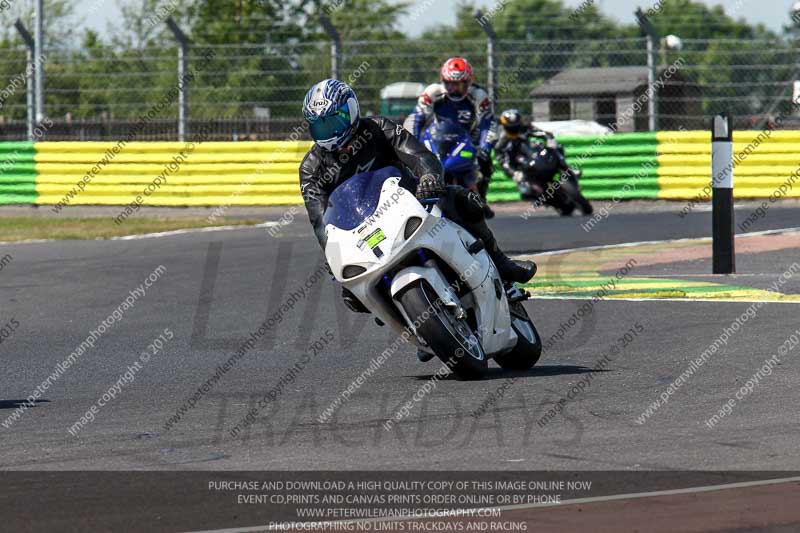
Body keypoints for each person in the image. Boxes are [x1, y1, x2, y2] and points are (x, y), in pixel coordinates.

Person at [299, 79, 537, 317]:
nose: (329, 132)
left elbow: (420, 155)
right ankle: (417, 327)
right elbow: (320, 221)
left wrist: (429, 178)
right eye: (320, 126)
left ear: (350, 111)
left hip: (410, 201)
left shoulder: (379, 127)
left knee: (464, 201)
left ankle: (502, 263)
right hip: (363, 231)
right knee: (354, 296)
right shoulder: (311, 169)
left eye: (332, 121)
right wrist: (334, 256)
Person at [405, 57, 497, 218]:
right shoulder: (433, 92)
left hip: (469, 138)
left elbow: (487, 123)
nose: (453, 88)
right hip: (438, 137)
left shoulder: (478, 95)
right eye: (449, 83)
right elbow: (416, 118)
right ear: (443, 81)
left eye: (458, 84)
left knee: (485, 160)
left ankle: (480, 196)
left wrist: (485, 146)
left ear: (468, 82)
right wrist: (411, 143)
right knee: (415, 164)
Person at [494, 109, 593, 214]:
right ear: (505, 126)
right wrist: (513, 172)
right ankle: (550, 201)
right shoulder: (501, 143)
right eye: (512, 127)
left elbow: (543, 133)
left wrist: (550, 140)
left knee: (556, 149)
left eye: (516, 126)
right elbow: (502, 161)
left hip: (536, 155)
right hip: (522, 166)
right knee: (527, 190)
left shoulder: (526, 128)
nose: (515, 129)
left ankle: (569, 168)